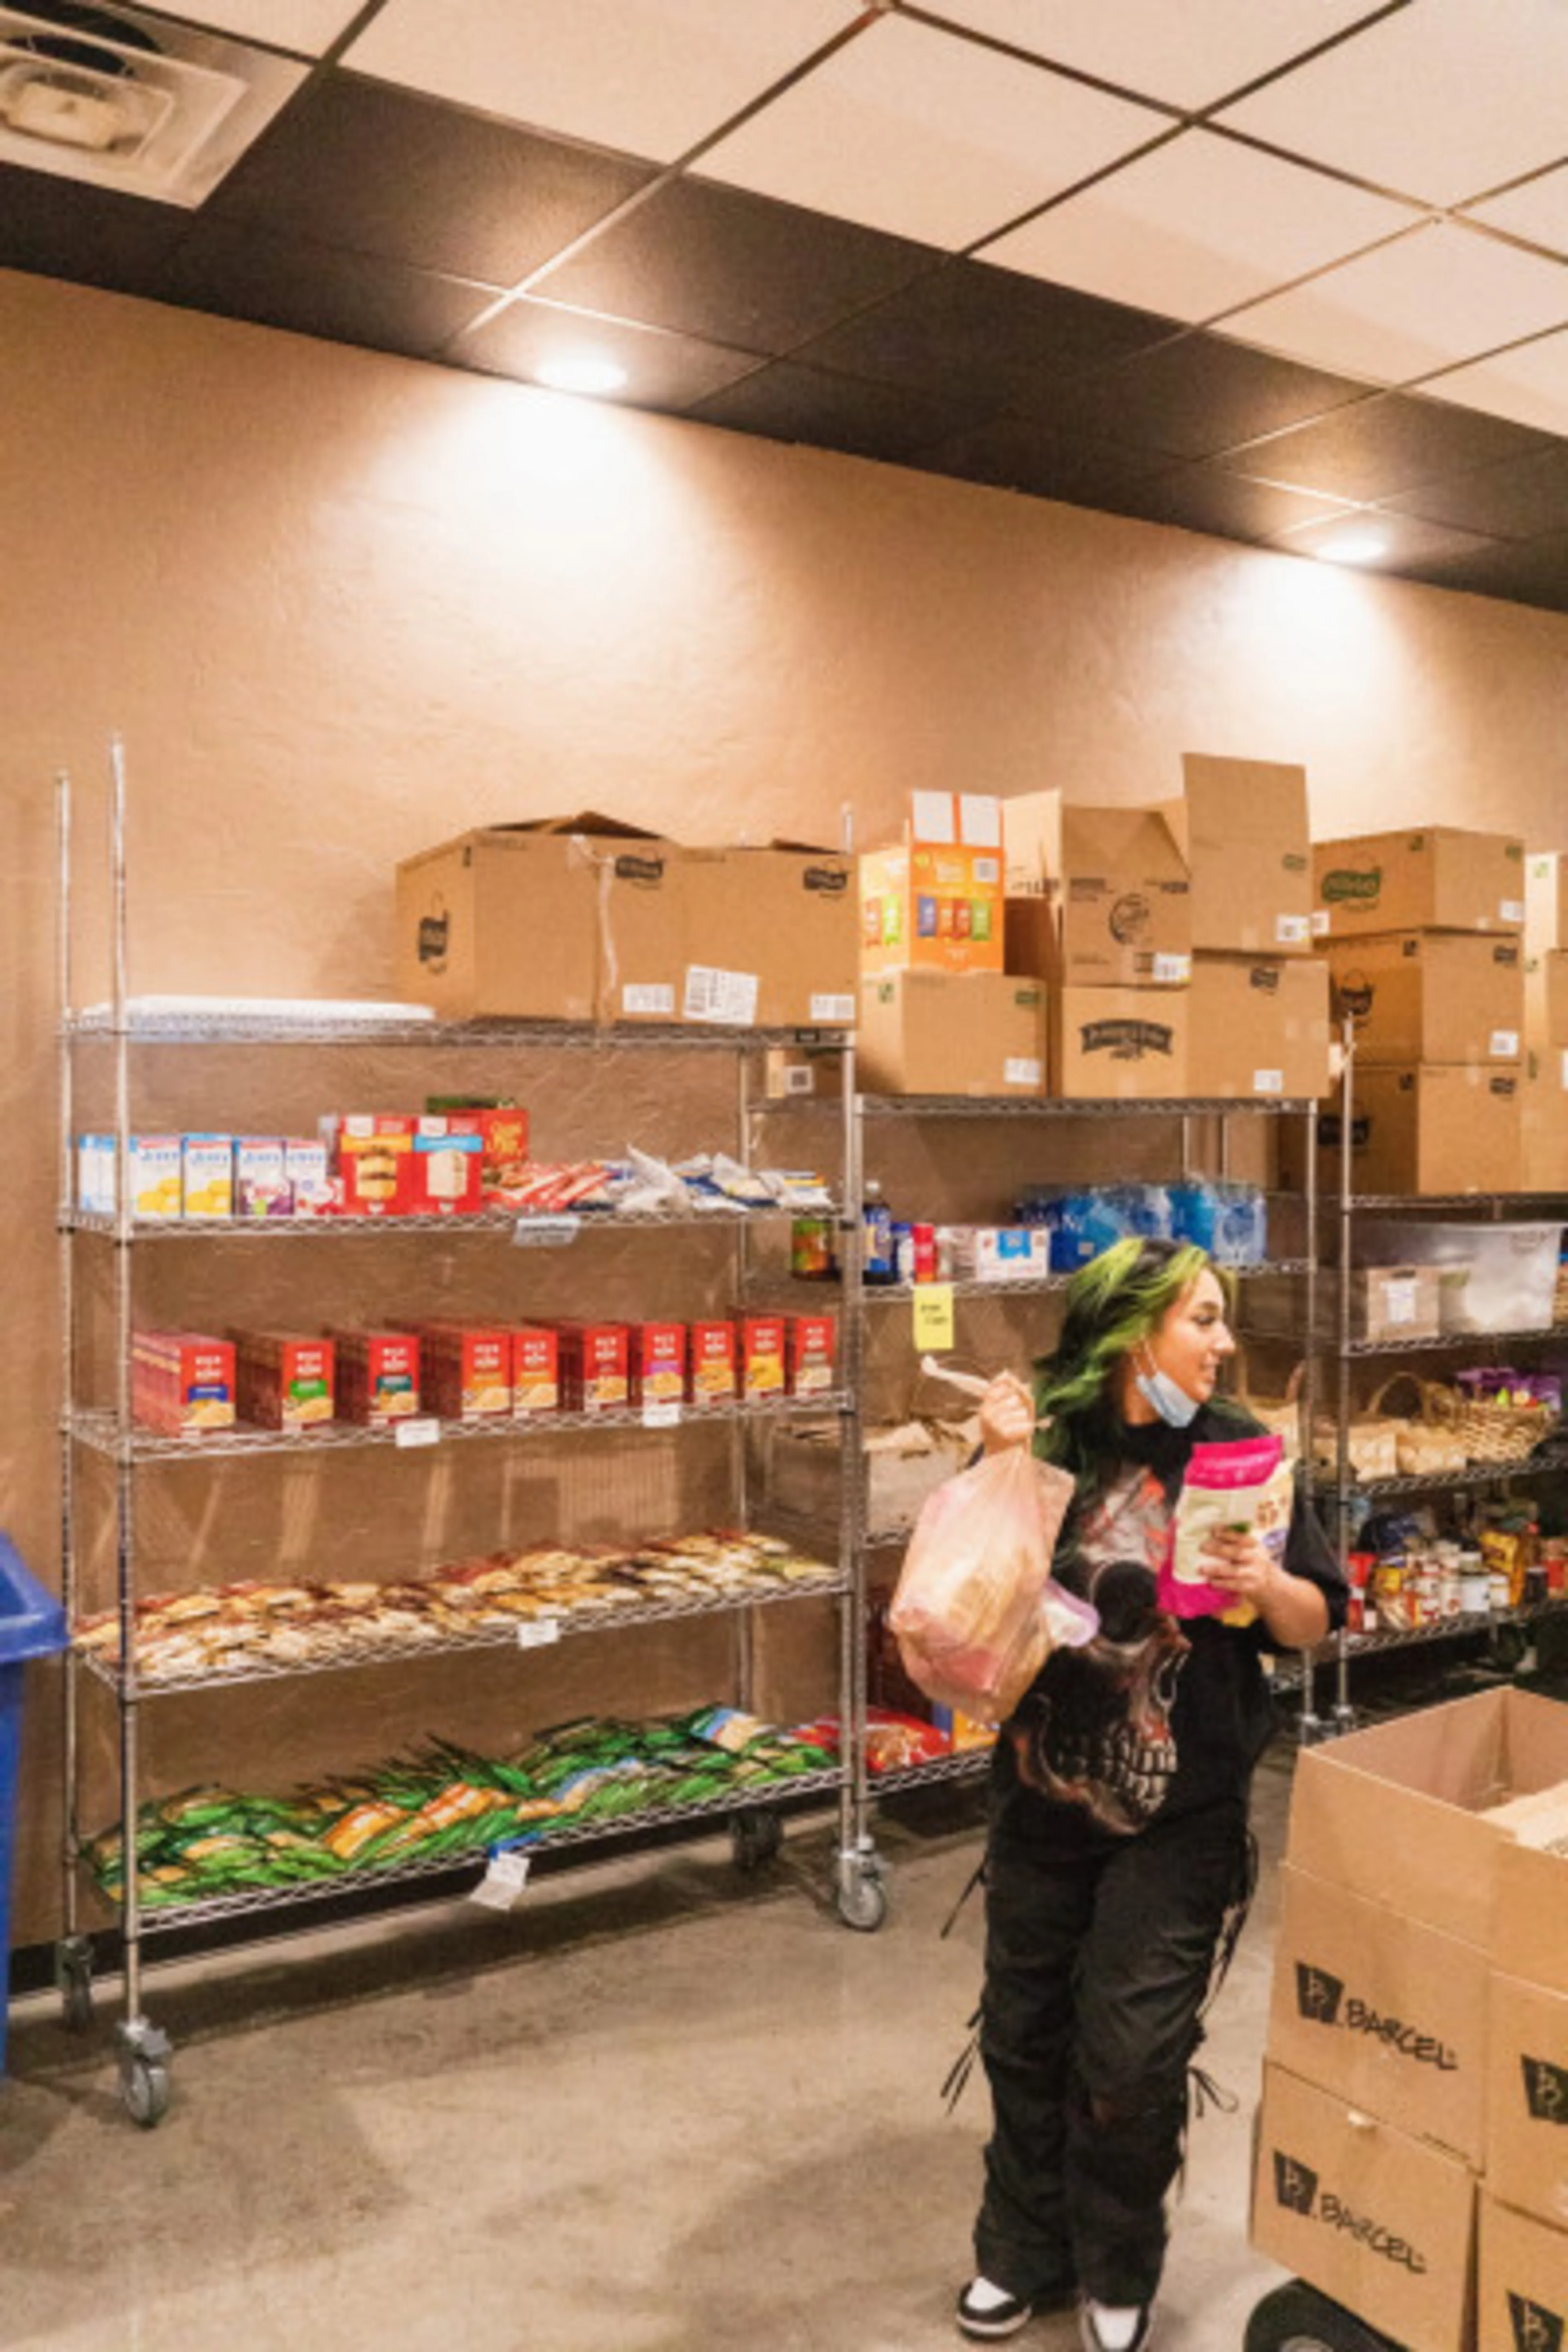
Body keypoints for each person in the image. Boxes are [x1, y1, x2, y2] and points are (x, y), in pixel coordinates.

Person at [954, 1236, 1346, 2352]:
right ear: (1134, 1331)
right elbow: (963, 1590)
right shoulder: (1050, 1441)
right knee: (1026, 2034)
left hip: (1183, 1812)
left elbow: (1317, 1623)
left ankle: (1118, 2265)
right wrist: (994, 1466)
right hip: (1039, 1797)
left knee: (1129, 2057)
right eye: (1204, 1320)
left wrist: (1267, 1584)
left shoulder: (1243, 1452)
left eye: (1223, 1321)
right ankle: (1020, 2251)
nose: (1224, 1344)